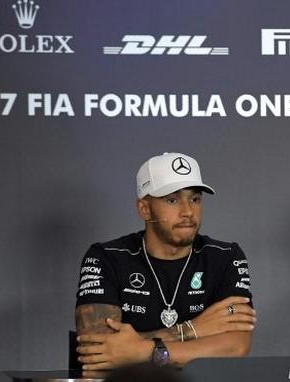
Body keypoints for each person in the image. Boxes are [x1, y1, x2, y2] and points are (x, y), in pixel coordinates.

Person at [75, 152, 256, 373]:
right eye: (172, 200)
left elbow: (236, 347)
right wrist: (193, 329)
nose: (188, 211)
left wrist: (144, 351)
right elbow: (99, 351)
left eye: (195, 199)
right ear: (144, 209)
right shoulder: (107, 257)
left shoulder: (225, 256)